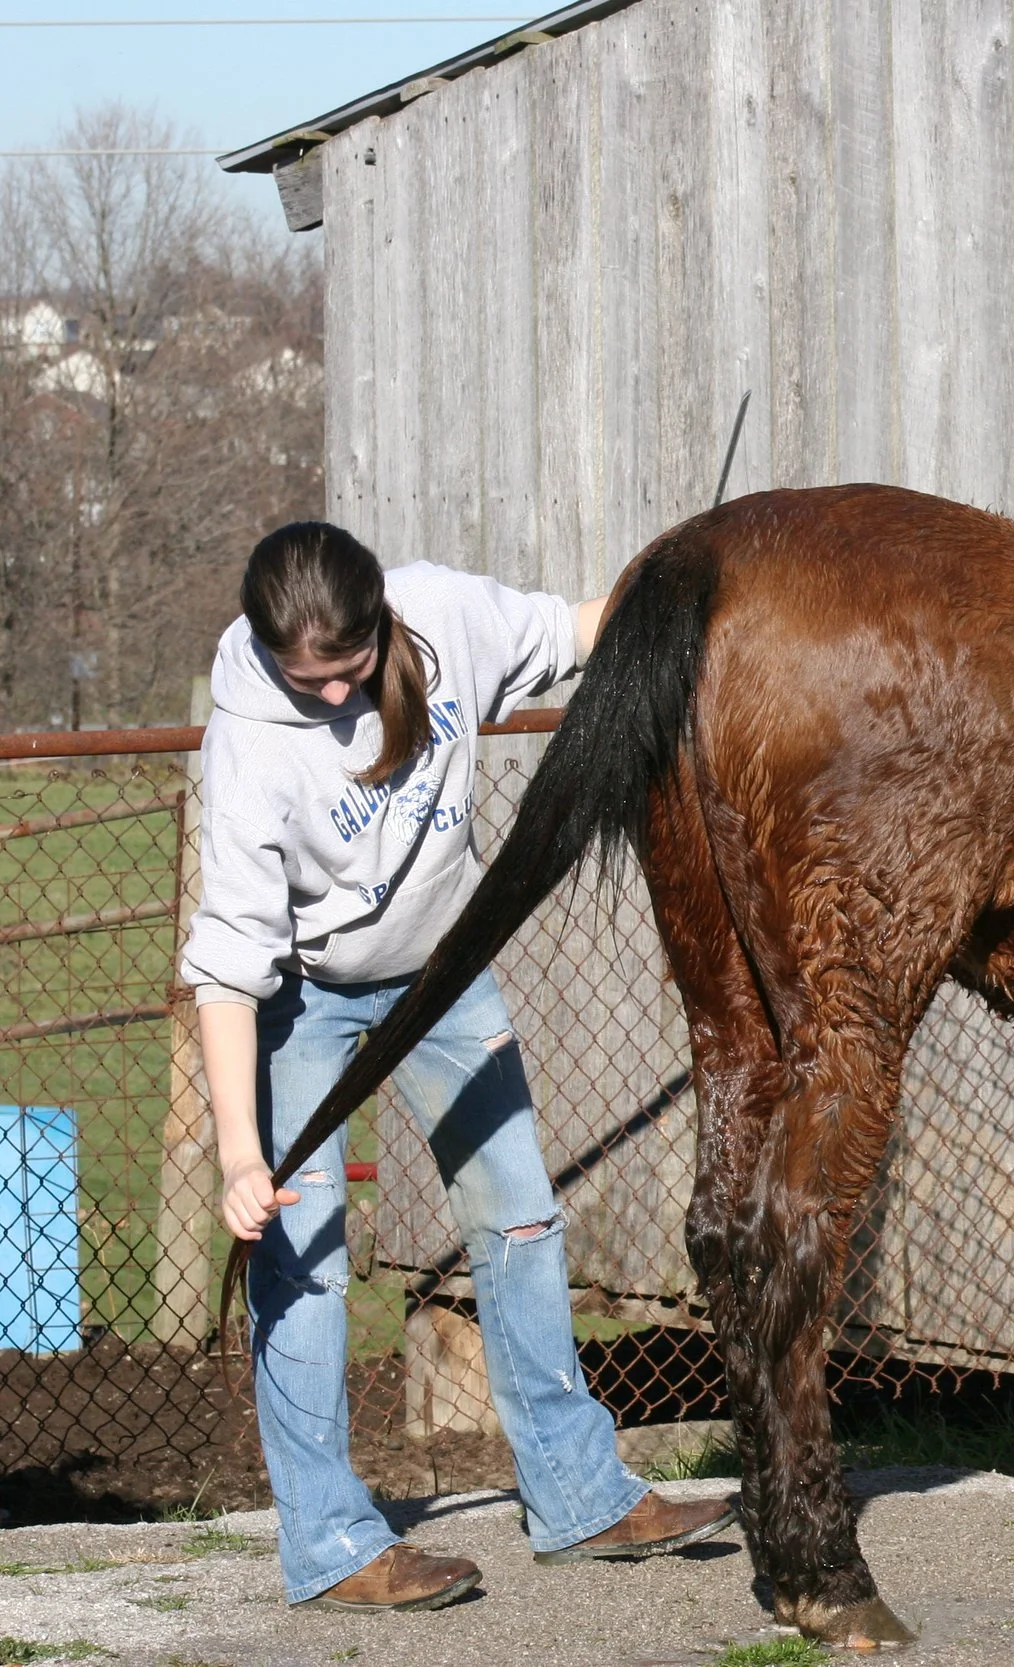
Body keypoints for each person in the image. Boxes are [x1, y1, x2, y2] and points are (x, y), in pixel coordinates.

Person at [183, 522, 734, 1611]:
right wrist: (243, 1158)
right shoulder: (250, 746)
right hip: (302, 1002)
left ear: (380, 617)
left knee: (522, 1215)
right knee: (307, 1261)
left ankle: (579, 1496)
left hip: (443, 972)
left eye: (348, 673)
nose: (338, 699)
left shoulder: (445, 617)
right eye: (311, 684)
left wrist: (693, 581)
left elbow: (576, 630)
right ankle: (335, 1545)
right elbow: (227, 973)